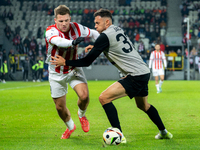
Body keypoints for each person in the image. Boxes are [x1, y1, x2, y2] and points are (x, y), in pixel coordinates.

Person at [50, 9, 173, 142]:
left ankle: (119, 135)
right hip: (143, 72)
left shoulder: (104, 37)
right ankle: (164, 132)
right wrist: (97, 47)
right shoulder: (117, 29)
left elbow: (86, 61)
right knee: (143, 105)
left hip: (135, 75)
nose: (95, 26)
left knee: (104, 98)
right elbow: (114, 46)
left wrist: (65, 62)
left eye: (97, 23)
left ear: (107, 22)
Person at [45, 5, 100, 139]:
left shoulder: (76, 27)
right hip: (56, 72)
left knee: (85, 96)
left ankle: (81, 115)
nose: (64, 24)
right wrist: (73, 42)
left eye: (66, 20)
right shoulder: (50, 31)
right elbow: (58, 41)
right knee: (59, 107)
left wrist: (99, 44)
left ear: (70, 18)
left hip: (73, 68)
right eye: (61, 21)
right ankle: (70, 127)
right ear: (55, 20)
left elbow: (93, 33)